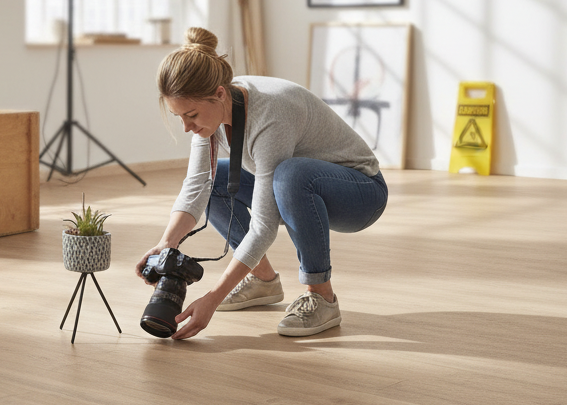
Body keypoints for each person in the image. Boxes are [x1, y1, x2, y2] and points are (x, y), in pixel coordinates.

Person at [135, 27, 388, 340]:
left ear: (219, 94)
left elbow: (264, 226)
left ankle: (322, 297)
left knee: (290, 175)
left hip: (360, 192)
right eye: (179, 117)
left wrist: (212, 298)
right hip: (299, 186)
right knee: (218, 180)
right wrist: (166, 243)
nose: (187, 127)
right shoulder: (211, 110)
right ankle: (262, 280)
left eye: (191, 115)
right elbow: (198, 184)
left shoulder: (271, 114)